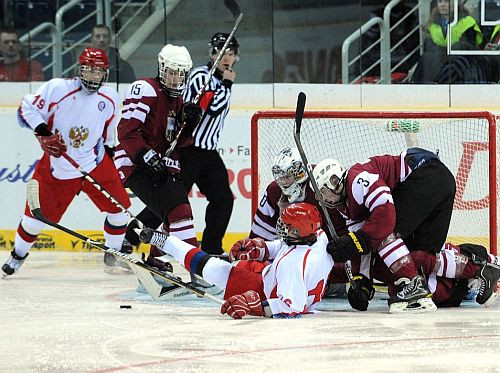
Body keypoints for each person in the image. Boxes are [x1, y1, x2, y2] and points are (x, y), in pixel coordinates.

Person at [2, 47, 129, 276]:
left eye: (99, 72)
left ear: (105, 74)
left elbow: (109, 140)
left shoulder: (110, 98)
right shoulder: (58, 88)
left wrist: (115, 168)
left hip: (94, 164)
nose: (94, 76)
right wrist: (43, 132)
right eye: (89, 71)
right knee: (33, 221)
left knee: (120, 211)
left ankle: (114, 253)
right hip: (58, 167)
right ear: (79, 70)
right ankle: (17, 256)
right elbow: (26, 108)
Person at [117, 32, 239, 257]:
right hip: (185, 153)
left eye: (230, 53)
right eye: (220, 52)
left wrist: (188, 122)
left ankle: (209, 249)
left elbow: (177, 133)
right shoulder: (201, 76)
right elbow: (209, 106)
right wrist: (226, 86)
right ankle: (132, 237)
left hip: (203, 151)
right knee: (172, 205)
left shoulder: (178, 97)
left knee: (218, 199)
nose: (225, 57)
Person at [312, 148, 457, 313]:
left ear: (334, 181)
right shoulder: (345, 206)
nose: (323, 200)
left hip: (426, 174)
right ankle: (477, 269)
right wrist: (362, 280)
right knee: (419, 254)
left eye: (323, 192)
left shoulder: (357, 180)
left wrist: (356, 241)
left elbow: (385, 217)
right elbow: (362, 246)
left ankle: (413, 286)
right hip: (442, 181)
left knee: (383, 231)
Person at [138, 202, 336, 319]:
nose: (282, 227)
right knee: (234, 264)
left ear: (298, 230)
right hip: (271, 274)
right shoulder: (318, 236)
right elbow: (286, 247)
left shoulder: (293, 266)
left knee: (215, 268)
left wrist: (254, 306)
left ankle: (165, 242)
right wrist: (262, 248)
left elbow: (292, 308)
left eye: (287, 225)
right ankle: (167, 243)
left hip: (264, 290)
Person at [113, 44, 202, 272]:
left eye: (180, 73)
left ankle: (154, 259)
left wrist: (189, 124)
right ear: (161, 69)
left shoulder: (178, 100)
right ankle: (198, 269)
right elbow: (127, 132)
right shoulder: (145, 88)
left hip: (160, 164)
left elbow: (177, 142)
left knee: (173, 217)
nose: (175, 78)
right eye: (171, 72)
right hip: (135, 163)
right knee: (179, 212)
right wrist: (147, 156)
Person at [347, 241, 500, 312]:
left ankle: (478, 271)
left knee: (419, 257)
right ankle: (476, 273)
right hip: (450, 289)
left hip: (452, 284)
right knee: (398, 286)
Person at [411, 0, 484, 83]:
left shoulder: (467, 22)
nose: (442, 5)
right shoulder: (432, 25)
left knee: (458, 47)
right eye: (440, 2)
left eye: (446, 1)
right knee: (427, 56)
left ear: (455, 3)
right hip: (440, 61)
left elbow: (469, 48)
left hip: (462, 64)